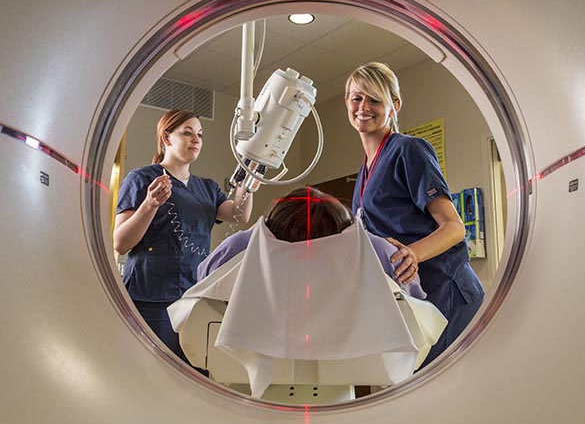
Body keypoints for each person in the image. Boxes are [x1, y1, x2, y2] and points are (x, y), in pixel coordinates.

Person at [344, 62, 485, 365]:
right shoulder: (365, 170)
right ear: (347, 102)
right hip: (414, 299)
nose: (363, 107)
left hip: (447, 292)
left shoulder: (409, 150)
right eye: (357, 98)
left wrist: (412, 253)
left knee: (433, 390)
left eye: (375, 99)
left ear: (394, 106)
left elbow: (454, 227)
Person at [113, 109, 253, 362]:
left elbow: (240, 214)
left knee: (195, 369)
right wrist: (150, 204)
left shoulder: (207, 188)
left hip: (194, 297)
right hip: (151, 297)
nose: (196, 139)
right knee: (155, 370)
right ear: (167, 138)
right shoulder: (142, 179)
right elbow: (121, 243)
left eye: (199, 134)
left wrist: (253, 172)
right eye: (187, 133)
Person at [196, 186, 426, 301]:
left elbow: (203, 282)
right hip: (355, 362)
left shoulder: (241, 247)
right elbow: (413, 304)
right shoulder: (381, 251)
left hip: (253, 360)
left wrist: (254, 233)